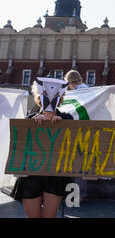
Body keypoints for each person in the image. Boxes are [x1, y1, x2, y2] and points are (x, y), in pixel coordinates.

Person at [11, 78, 73, 218]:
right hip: (31, 176)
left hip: (55, 175)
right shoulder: (30, 119)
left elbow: (73, 146)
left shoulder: (67, 119)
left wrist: (61, 127)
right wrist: (33, 124)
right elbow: (20, 145)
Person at [64, 70, 89, 202]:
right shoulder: (86, 89)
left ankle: (80, 194)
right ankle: (78, 194)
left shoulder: (77, 91)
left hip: (78, 131)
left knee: (77, 164)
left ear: (70, 81)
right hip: (85, 131)